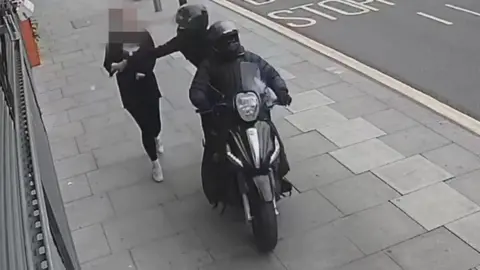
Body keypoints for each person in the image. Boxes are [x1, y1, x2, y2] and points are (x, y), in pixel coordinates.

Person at [189, 20, 293, 204]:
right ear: (216, 45)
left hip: (254, 111)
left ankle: (279, 172)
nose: (231, 44)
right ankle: (216, 188)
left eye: (232, 39)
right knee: (214, 149)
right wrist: (203, 102)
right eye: (225, 41)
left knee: (273, 135)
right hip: (225, 117)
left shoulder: (250, 58)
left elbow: (271, 73)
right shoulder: (209, 65)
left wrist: (281, 91)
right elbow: (197, 87)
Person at [112, 3, 214, 142]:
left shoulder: (182, 40)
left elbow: (157, 52)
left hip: (207, 74)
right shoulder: (206, 35)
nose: (180, 28)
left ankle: (210, 139)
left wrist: (129, 59)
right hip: (212, 72)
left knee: (204, 105)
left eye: (182, 25)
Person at [103, 7, 164, 182]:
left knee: (155, 123)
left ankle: (156, 136)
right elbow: (108, 64)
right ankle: (155, 163)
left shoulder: (143, 36)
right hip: (129, 90)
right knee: (144, 126)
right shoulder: (113, 42)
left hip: (147, 84)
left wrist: (143, 70)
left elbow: (152, 55)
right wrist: (116, 66)